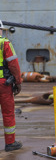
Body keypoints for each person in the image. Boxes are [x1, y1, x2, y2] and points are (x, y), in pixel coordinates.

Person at [0, 20, 22, 151]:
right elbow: (13, 64)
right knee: (8, 113)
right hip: (3, 83)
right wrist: (18, 82)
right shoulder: (4, 43)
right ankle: (10, 143)